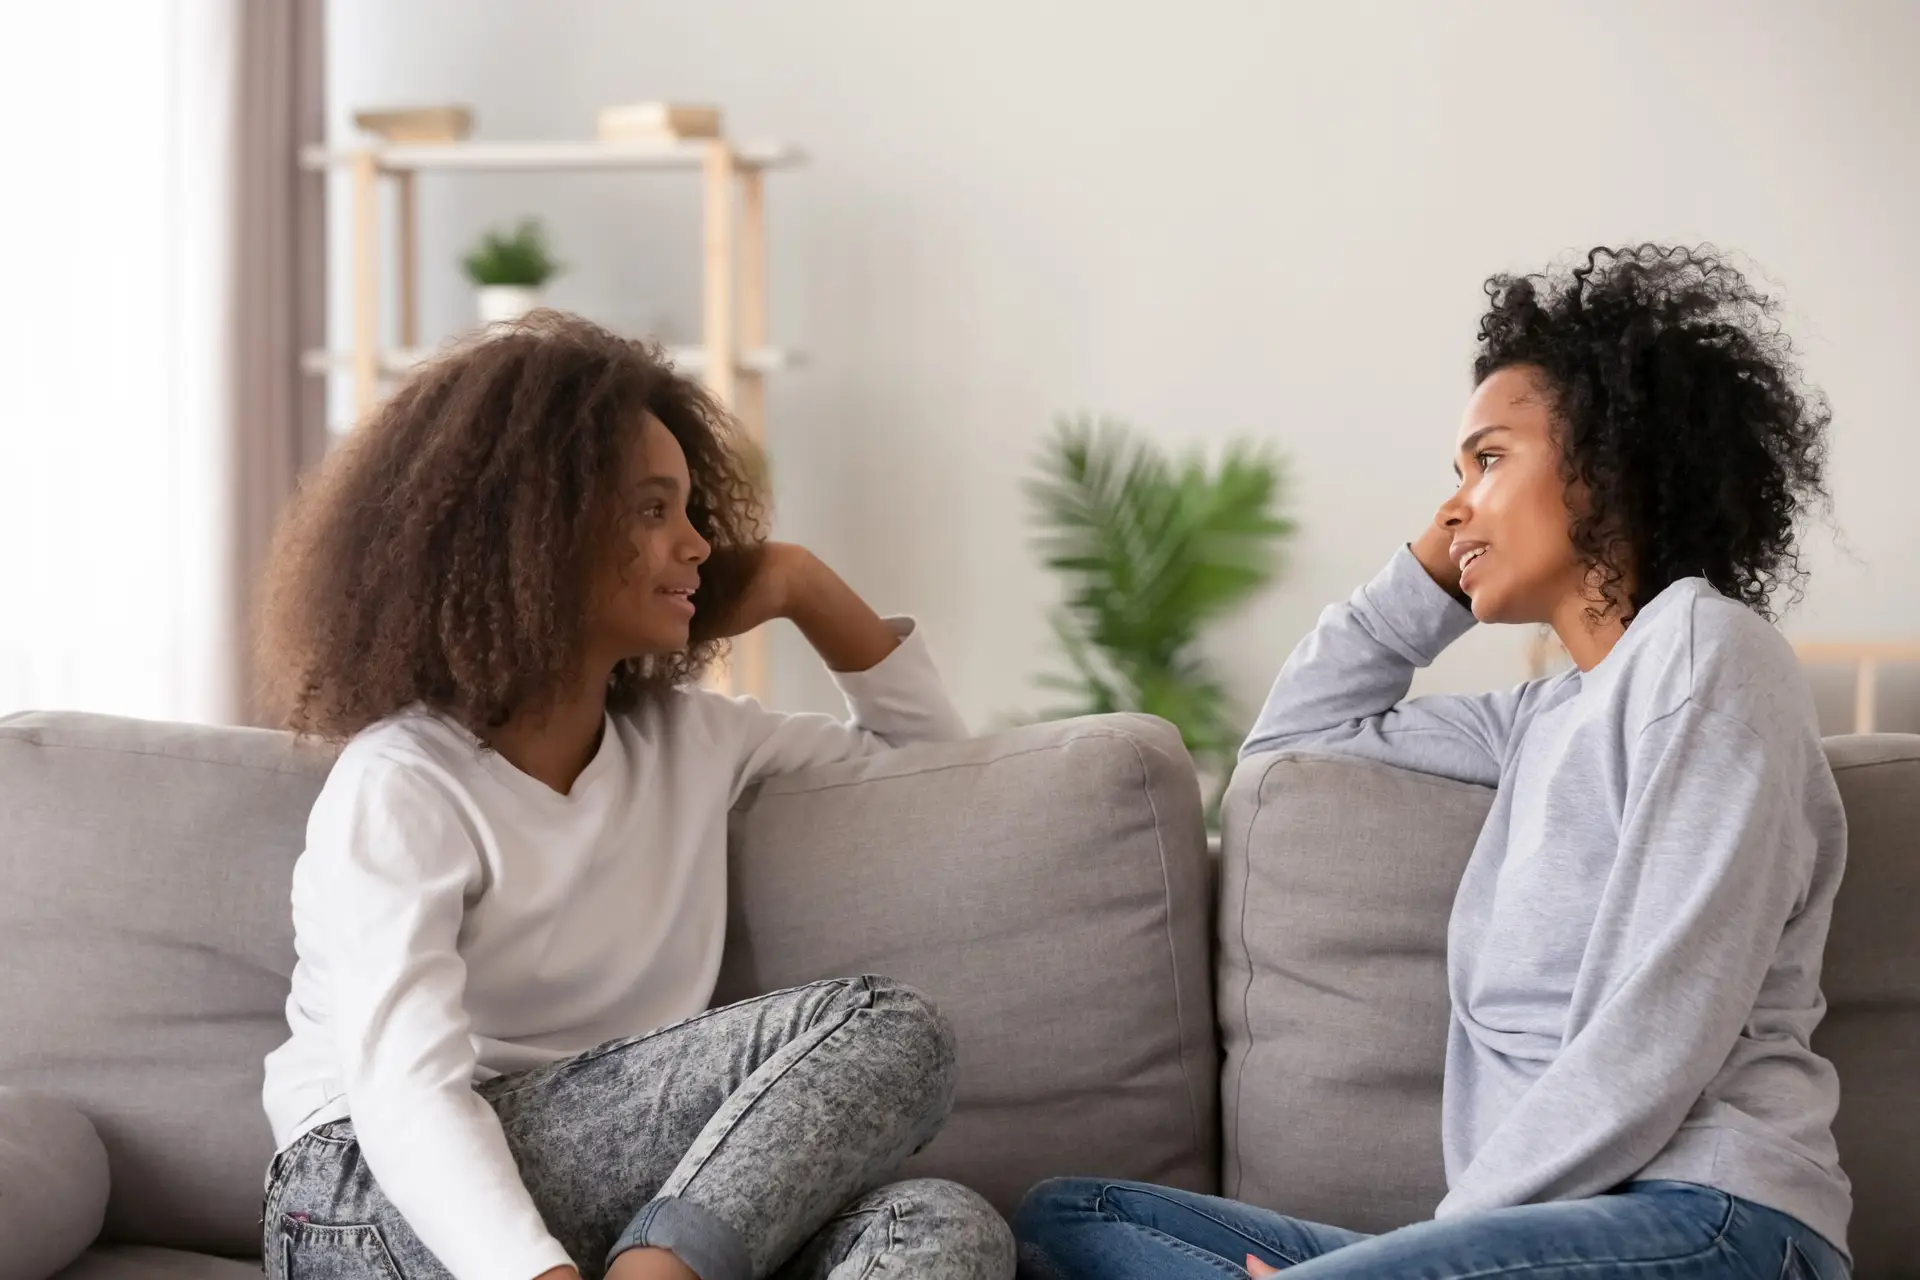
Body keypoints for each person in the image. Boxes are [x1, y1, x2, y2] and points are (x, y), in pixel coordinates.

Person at [1013, 245, 1851, 1279]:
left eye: (1489, 458)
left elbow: (1659, 1029)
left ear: (1610, 461)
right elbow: (1291, 746)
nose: (1457, 509)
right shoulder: (1537, 718)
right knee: (1073, 1216)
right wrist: (1427, 576)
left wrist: (1434, 1252)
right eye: (1453, 475)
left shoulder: (1708, 650)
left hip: (1714, 1219)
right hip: (1523, 1238)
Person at [255, 312, 1014, 1280]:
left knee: (937, 1221)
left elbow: (939, 776)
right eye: (653, 511)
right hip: (366, 1198)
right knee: (892, 1027)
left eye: (693, 511)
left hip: (613, 1194)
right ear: (530, 532)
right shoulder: (402, 779)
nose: (698, 545)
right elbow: (406, 1090)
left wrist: (802, 584)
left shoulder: (697, 737)